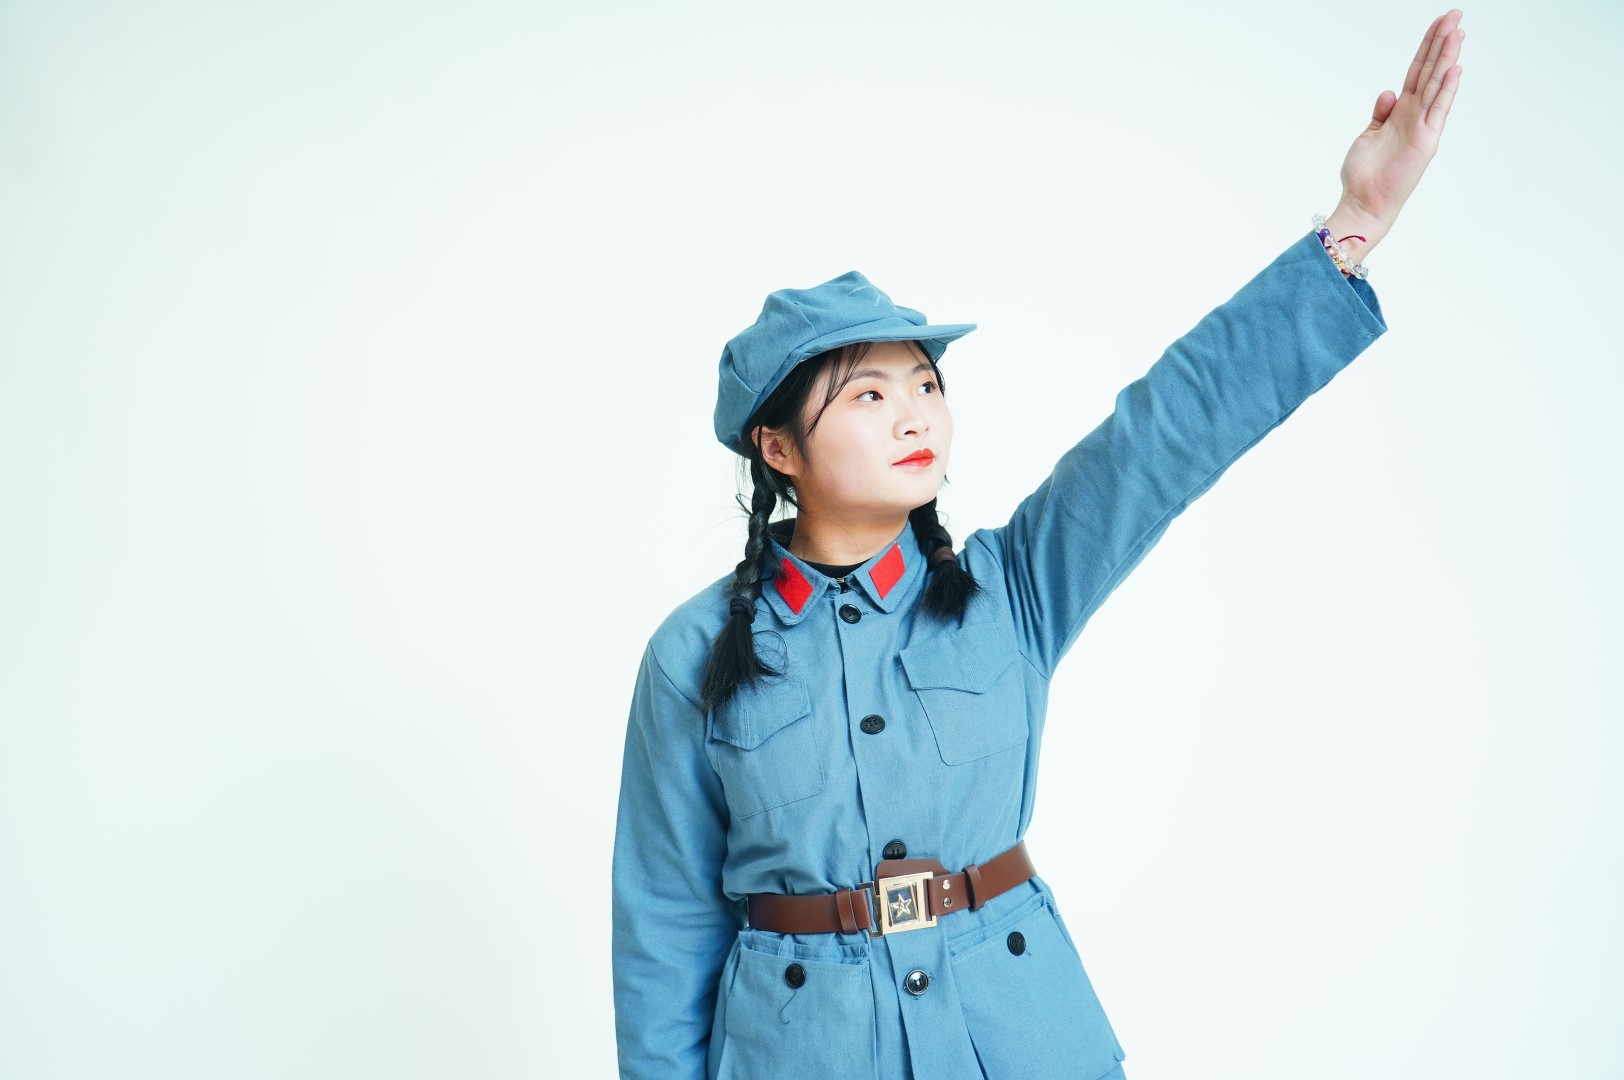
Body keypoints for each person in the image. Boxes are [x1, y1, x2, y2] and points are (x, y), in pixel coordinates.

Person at [611, 11, 1467, 1079]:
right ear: (776, 447)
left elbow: (1165, 434)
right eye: (868, 394)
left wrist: (1356, 222)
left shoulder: (1010, 590)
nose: (915, 415)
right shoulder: (692, 655)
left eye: (925, 385)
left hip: (1018, 1039)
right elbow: (664, 929)